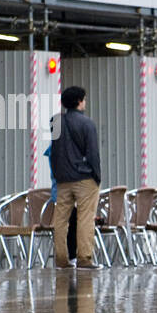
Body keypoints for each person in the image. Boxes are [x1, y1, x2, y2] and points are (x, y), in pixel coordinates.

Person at [49, 85, 101, 269]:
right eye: (84, 99)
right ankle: (84, 258)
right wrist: (96, 176)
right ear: (79, 101)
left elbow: (54, 152)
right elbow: (93, 153)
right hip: (84, 178)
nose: (85, 102)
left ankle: (62, 259)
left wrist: (57, 174)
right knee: (85, 218)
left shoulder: (55, 122)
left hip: (63, 180)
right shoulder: (87, 124)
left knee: (61, 220)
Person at [44, 143, 77, 262]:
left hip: (64, 194)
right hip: (62, 194)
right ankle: (69, 257)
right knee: (71, 223)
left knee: (72, 222)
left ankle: (70, 256)